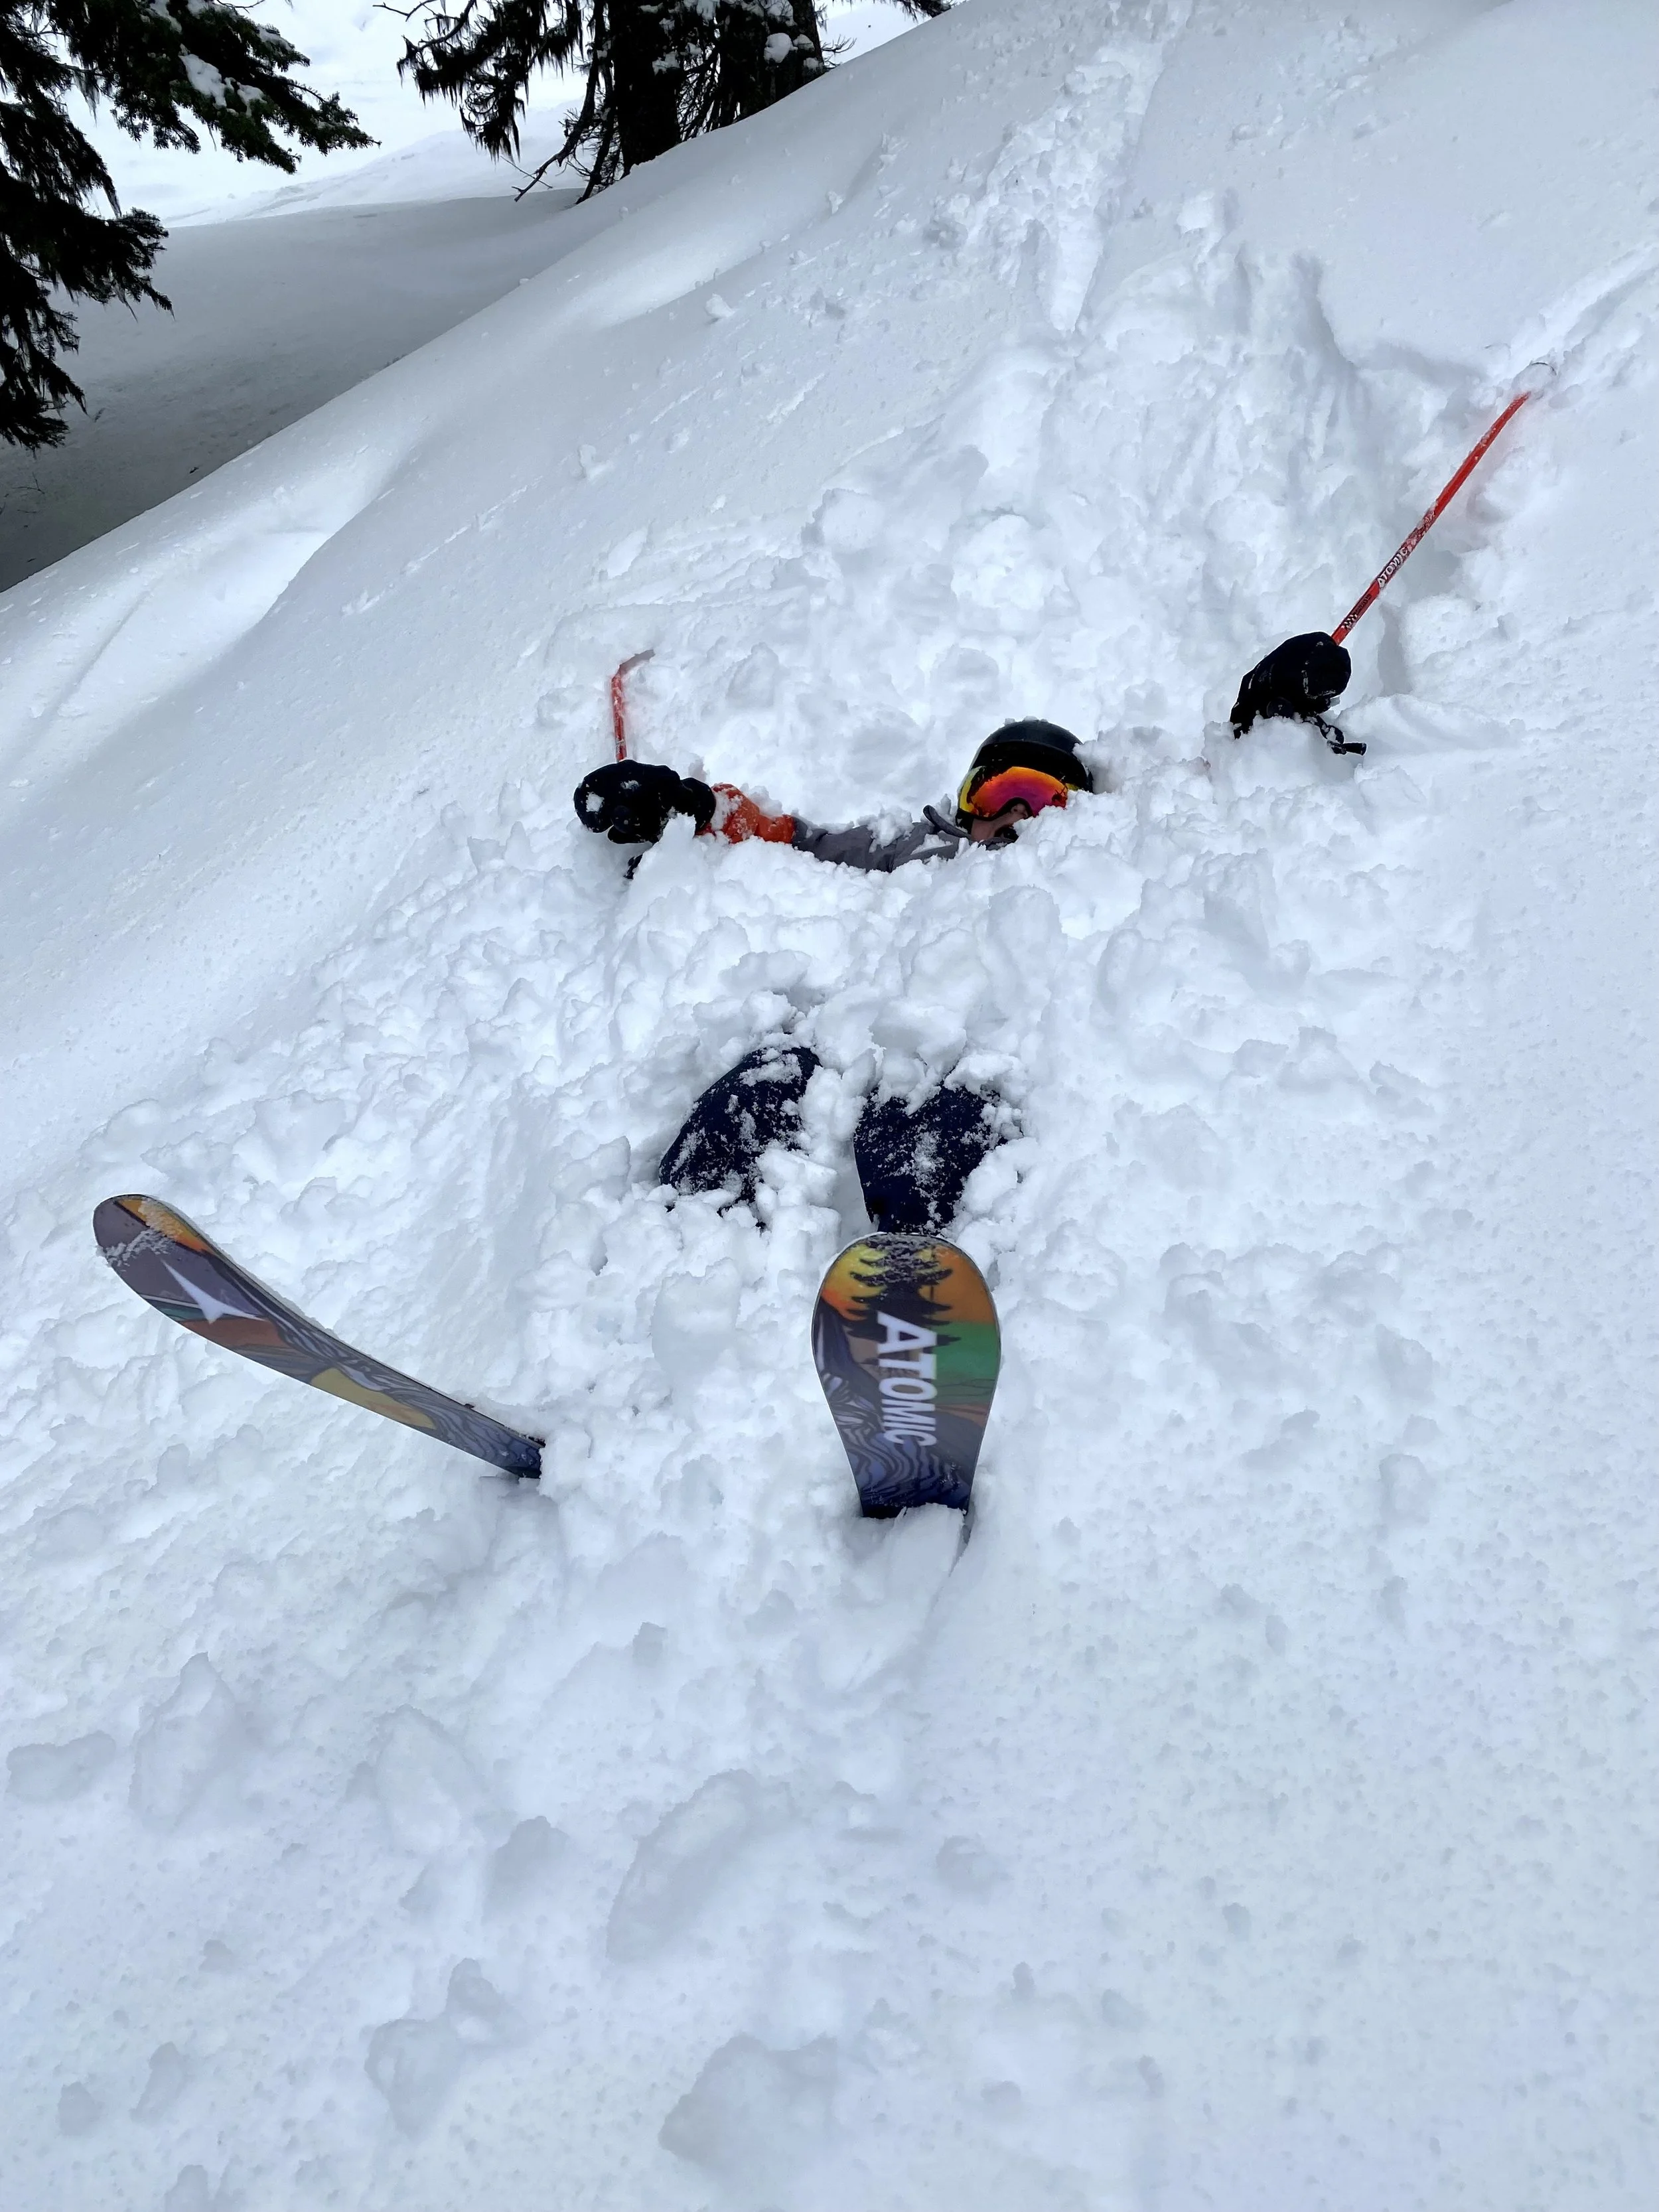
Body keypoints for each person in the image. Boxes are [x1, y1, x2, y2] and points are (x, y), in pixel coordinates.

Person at [573, 636, 1350, 1232]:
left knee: (926, 1123)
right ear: (963, 805)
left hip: (978, 1065)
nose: (1013, 815)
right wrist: (692, 810)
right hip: (863, 1040)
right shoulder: (911, 852)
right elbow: (791, 842)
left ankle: (919, 1296)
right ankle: (677, 1258)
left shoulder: (1102, 862)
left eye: (1038, 797)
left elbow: (1198, 809)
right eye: (997, 792)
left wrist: (1260, 725)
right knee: (762, 1082)